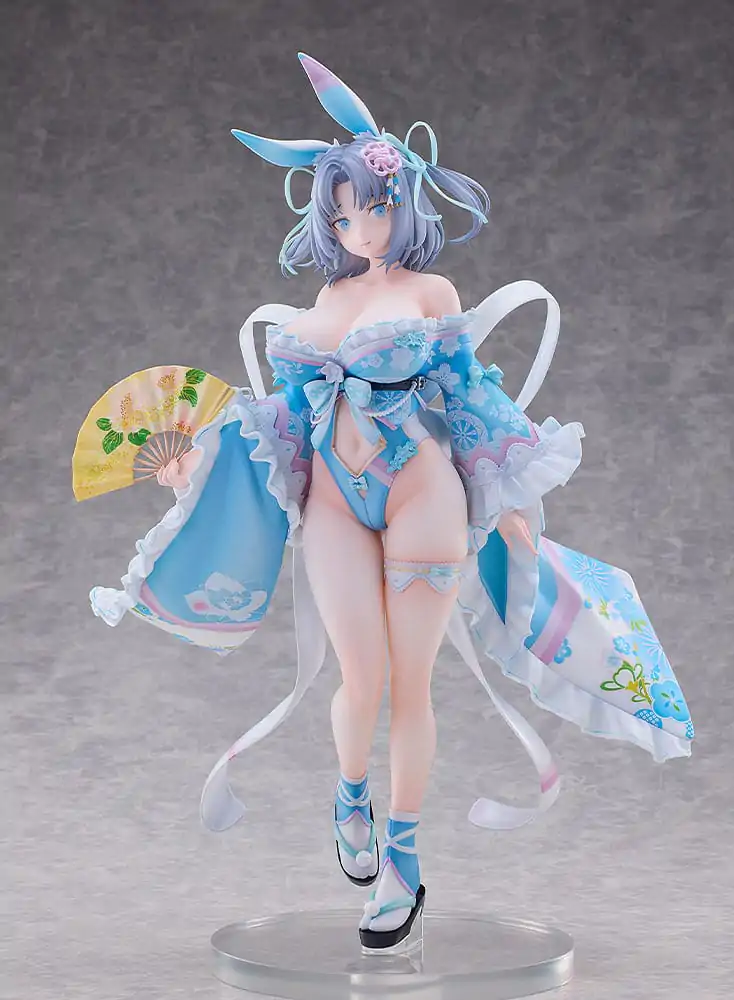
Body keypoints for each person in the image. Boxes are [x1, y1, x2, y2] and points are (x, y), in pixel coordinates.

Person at [85, 53, 694, 951]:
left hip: (422, 494)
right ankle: (351, 797)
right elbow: (284, 417)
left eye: (371, 206)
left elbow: (470, 394)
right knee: (358, 676)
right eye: (341, 213)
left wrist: (510, 497)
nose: (358, 225)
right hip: (335, 502)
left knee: (411, 682)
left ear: (403, 198)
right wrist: (200, 467)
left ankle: (403, 861)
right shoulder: (329, 293)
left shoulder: (429, 292)